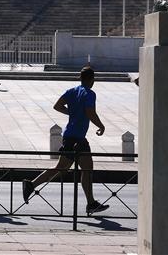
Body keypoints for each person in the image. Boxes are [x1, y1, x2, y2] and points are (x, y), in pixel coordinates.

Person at [22, 66, 110, 216]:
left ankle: (91, 203)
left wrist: (71, 112)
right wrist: (101, 125)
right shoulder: (89, 94)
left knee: (86, 168)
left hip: (73, 136)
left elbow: (57, 106)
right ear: (92, 79)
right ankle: (30, 184)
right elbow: (90, 112)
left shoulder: (72, 91)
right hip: (75, 138)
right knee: (63, 169)